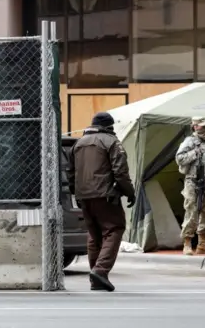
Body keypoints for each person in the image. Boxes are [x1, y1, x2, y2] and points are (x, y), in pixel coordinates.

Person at [68, 112, 136, 292]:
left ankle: (95, 276)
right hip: (105, 194)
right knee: (114, 229)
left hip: (84, 196)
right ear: (110, 126)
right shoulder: (111, 141)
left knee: (94, 234)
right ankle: (101, 270)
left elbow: (70, 172)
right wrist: (129, 192)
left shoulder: (78, 143)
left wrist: (77, 194)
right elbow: (120, 171)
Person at [175, 116, 205, 256]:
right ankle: (187, 243)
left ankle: (202, 243)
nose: (204, 128)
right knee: (191, 213)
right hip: (193, 182)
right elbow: (179, 158)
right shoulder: (189, 141)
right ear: (194, 126)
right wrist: (195, 153)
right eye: (201, 126)